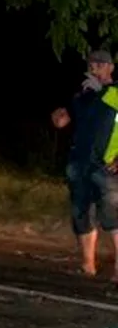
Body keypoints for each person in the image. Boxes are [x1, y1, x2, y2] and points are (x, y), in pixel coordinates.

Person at [51, 49, 118, 279]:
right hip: (79, 163)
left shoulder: (115, 94)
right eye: (91, 65)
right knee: (81, 213)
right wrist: (59, 118)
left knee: (112, 215)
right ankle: (88, 265)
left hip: (107, 165)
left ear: (110, 68)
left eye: (100, 64)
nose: (94, 69)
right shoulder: (83, 95)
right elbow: (64, 120)